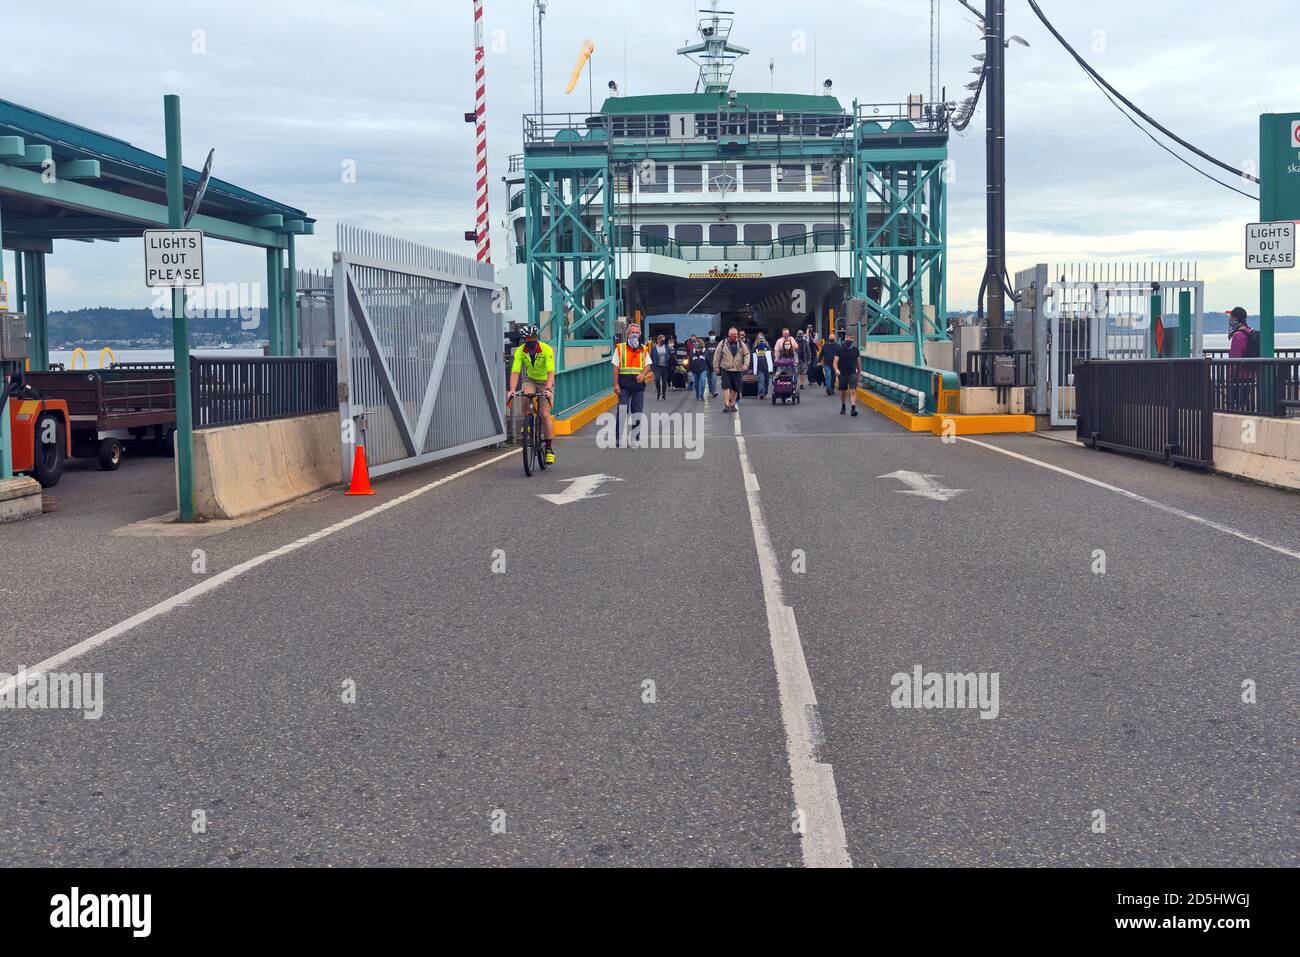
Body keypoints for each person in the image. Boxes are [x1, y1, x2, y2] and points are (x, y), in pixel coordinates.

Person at [508, 324, 557, 464]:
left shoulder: (546, 349)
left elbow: (550, 372)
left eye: (533, 337)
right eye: (528, 338)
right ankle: (527, 421)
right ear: (524, 339)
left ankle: (548, 448)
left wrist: (548, 389)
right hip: (530, 379)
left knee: (545, 414)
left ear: (537, 337)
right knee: (526, 395)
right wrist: (512, 390)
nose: (531, 340)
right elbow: (515, 371)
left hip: (544, 381)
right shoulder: (520, 351)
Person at [612, 323, 652, 444]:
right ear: (628, 334)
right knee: (623, 410)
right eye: (632, 332)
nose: (634, 334)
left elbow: (648, 365)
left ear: (639, 334)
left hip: (638, 387)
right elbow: (615, 367)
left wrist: (642, 375)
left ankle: (635, 438)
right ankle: (619, 438)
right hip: (623, 385)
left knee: (637, 412)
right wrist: (615, 385)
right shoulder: (620, 348)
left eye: (636, 332)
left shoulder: (643, 349)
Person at [1226, 306, 1258, 412]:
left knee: (1235, 403)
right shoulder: (1250, 332)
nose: (1230, 321)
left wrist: (1229, 375)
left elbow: (1234, 358)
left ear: (1235, 319)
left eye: (1230, 318)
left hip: (1238, 375)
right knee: (1244, 400)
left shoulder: (1238, 336)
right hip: (1251, 373)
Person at [713, 326, 750, 414]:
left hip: (737, 369)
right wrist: (716, 366)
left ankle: (732, 404)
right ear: (728, 335)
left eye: (735, 335)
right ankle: (726, 404)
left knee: (735, 388)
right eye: (732, 335)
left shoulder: (741, 343)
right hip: (726, 368)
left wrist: (746, 364)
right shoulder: (722, 343)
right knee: (725, 386)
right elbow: (717, 355)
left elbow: (747, 354)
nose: (734, 336)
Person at [833, 332, 861, 417]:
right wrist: (836, 369)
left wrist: (859, 374)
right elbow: (835, 362)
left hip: (852, 373)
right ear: (844, 339)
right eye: (847, 337)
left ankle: (853, 408)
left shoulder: (856, 350)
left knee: (852, 390)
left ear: (853, 339)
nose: (849, 339)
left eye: (850, 337)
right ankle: (843, 405)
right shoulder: (840, 350)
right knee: (843, 392)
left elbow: (858, 363)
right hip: (842, 374)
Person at [651, 335, 673, 400]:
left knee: (664, 381)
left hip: (665, 366)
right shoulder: (654, 348)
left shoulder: (666, 347)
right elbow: (651, 357)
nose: (663, 341)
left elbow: (670, 354)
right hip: (657, 366)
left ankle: (663, 394)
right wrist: (652, 367)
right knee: (657, 379)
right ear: (658, 340)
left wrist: (670, 356)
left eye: (664, 340)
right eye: (662, 340)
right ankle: (659, 392)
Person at [753, 333, 773, 400]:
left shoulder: (768, 348)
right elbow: (752, 359)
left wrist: (773, 368)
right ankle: (761, 393)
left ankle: (765, 393)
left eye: (762, 338)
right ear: (757, 340)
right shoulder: (755, 349)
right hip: (759, 368)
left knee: (766, 381)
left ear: (764, 339)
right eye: (759, 338)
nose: (761, 340)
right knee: (761, 380)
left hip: (767, 368)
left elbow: (772, 358)